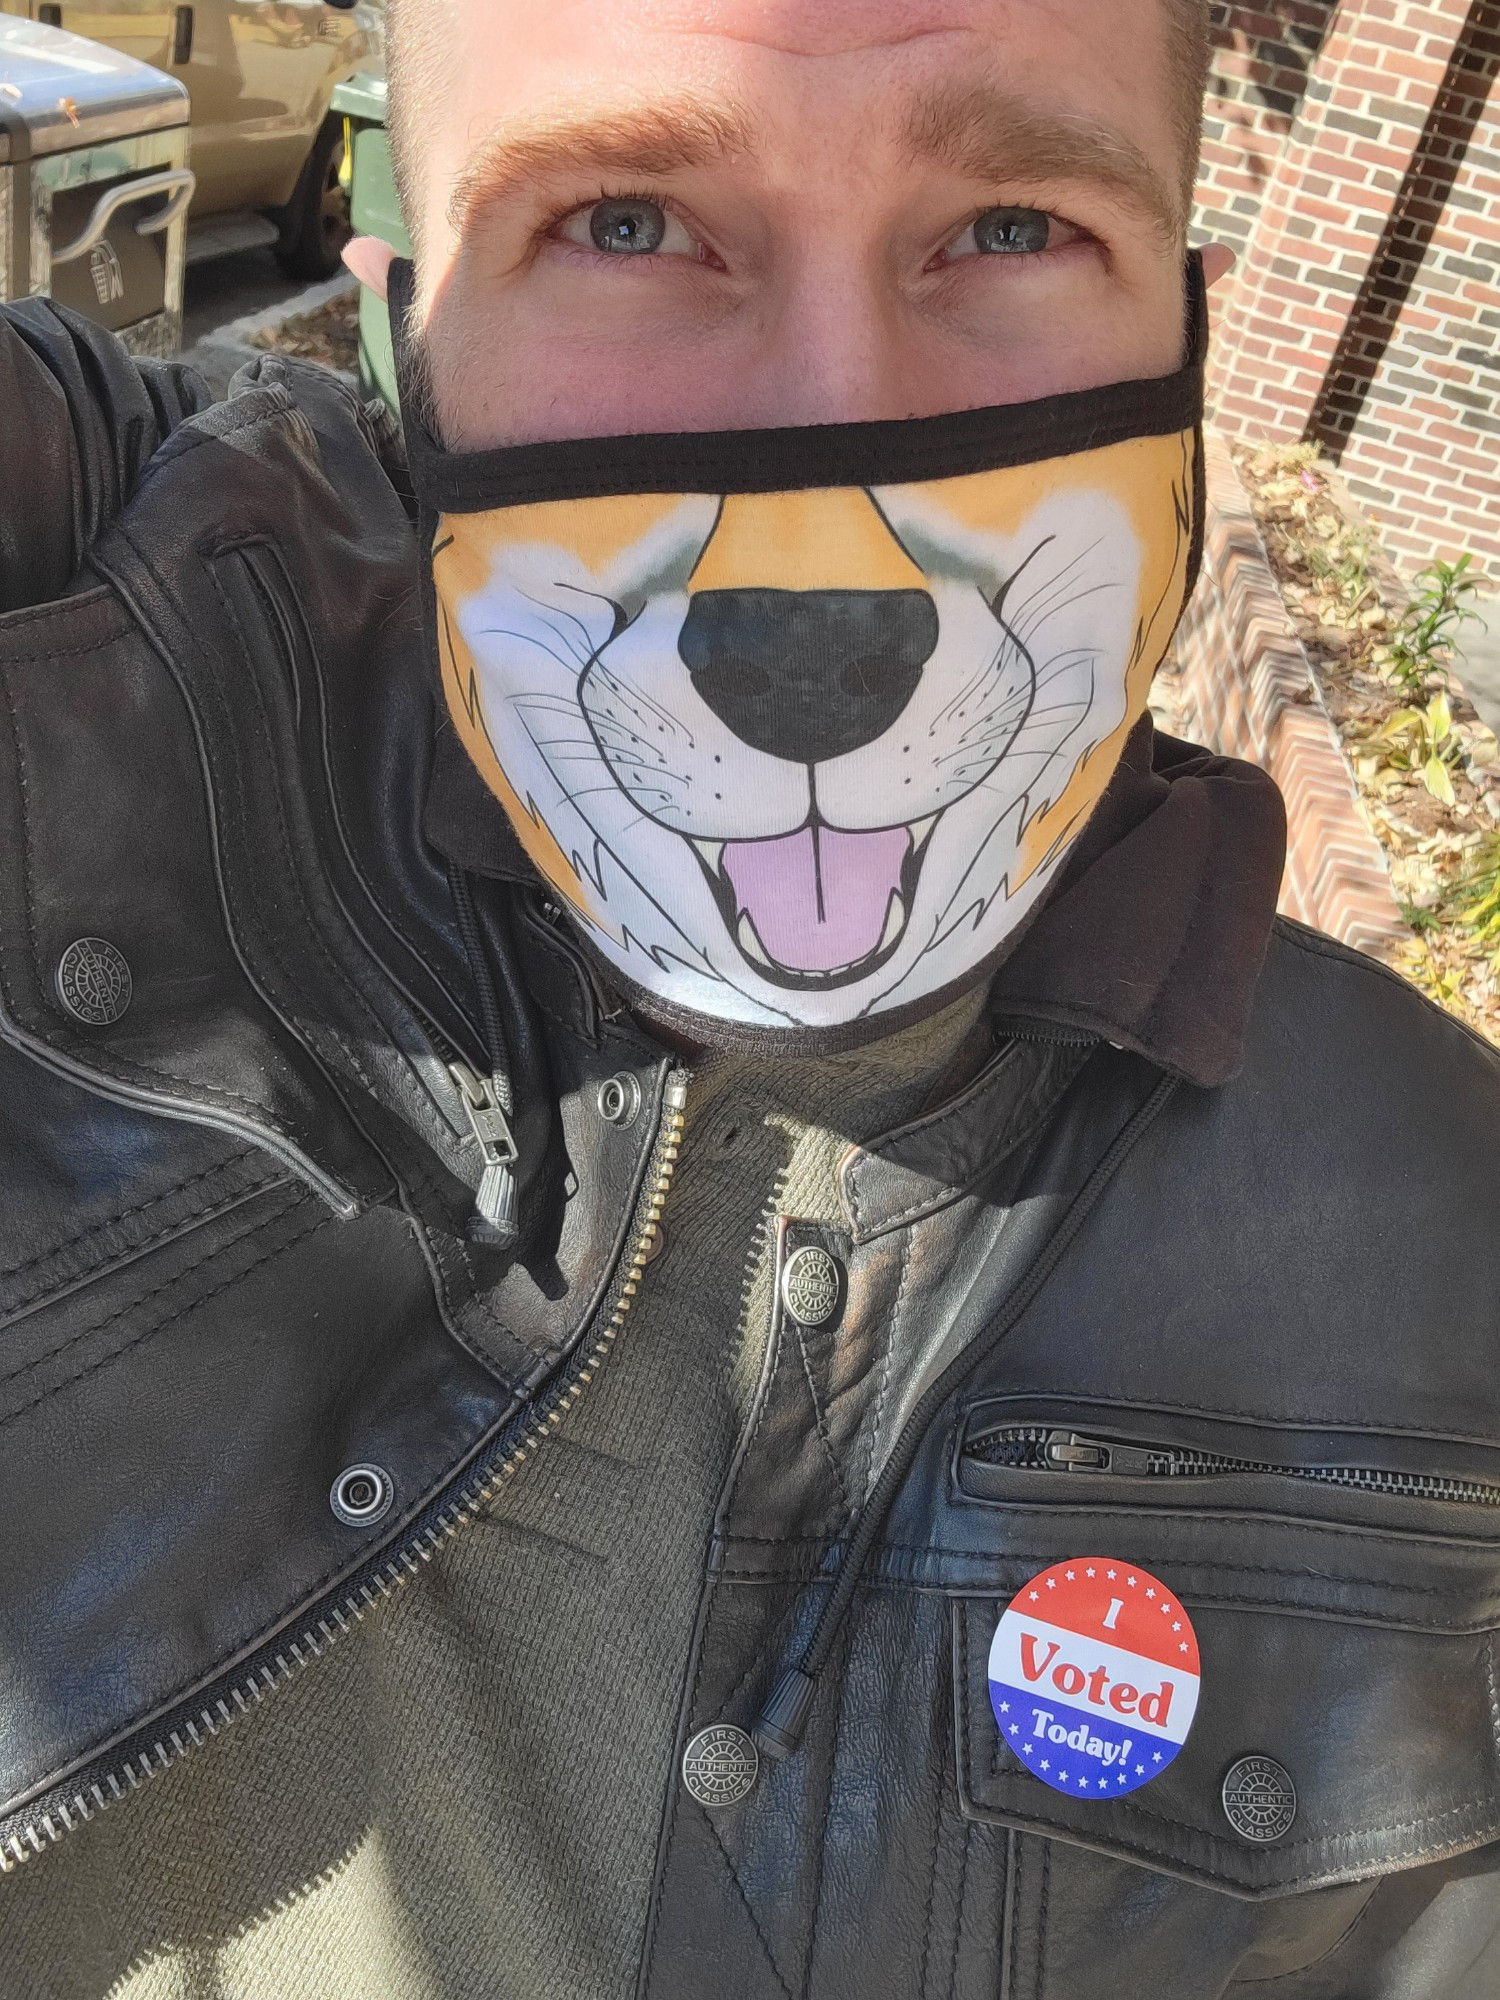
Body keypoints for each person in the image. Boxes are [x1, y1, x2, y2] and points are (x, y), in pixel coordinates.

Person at [0, 0, 1497, 1994]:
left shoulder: (1447, 1254)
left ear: (1188, 332)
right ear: (396, 338)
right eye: (622, 220)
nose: (832, 421)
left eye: (1013, 226)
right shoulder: (92, 723)